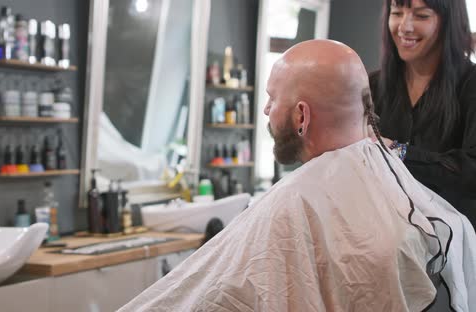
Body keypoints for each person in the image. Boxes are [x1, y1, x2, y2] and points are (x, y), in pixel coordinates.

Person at [118, 40, 476, 311]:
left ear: (301, 117)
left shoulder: (297, 202)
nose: (266, 109)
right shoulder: (395, 187)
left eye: (273, 99)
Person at [369, 0, 476, 226]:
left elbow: (471, 171)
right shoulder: (372, 86)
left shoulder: (470, 85)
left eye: (421, 16)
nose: (405, 27)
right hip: (384, 239)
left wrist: (397, 151)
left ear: (449, 23)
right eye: (397, 13)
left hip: (455, 246)